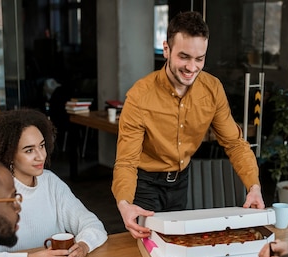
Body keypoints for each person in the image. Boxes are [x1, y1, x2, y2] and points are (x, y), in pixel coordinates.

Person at [112, 11, 265, 239]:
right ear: (167, 49)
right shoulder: (140, 96)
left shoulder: (212, 89)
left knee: (175, 244)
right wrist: (124, 203)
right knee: (146, 249)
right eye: (184, 57)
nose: (192, 67)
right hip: (145, 183)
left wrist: (254, 186)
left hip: (181, 180)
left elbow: (234, 143)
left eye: (199, 59)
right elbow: (126, 161)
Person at [0, 108, 108, 257]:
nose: (41, 156)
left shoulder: (49, 181)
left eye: (42, 146)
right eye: (29, 150)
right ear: (8, 155)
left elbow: (93, 225)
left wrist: (84, 245)